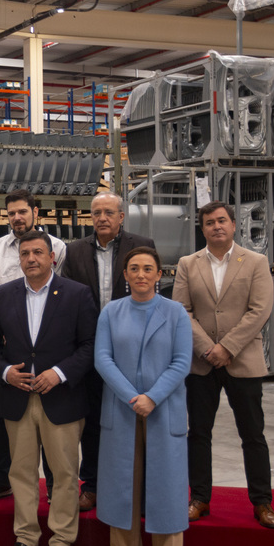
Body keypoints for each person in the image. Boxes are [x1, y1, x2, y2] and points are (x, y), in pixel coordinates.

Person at [0, 230, 96, 546]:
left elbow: (91, 346)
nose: (31, 258)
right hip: (17, 398)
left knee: (64, 474)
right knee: (21, 472)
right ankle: (26, 539)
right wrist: (5, 374)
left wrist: (59, 373)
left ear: (52, 257)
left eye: (37, 252)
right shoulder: (4, 296)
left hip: (60, 398)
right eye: (25, 253)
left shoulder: (77, 295)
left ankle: (61, 542)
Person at [173, 201, 274, 530]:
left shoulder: (256, 262)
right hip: (201, 363)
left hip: (242, 361)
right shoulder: (188, 264)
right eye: (209, 222)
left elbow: (259, 310)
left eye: (222, 221)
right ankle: (200, 499)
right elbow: (181, 311)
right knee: (198, 434)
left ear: (234, 225)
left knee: (252, 434)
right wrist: (208, 348)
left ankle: (262, 503)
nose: (216, 226)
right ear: (202, 228)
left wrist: (228, 348)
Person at [95, 246, 192, 546]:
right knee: (123, 485)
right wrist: (131, 397)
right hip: (122, 410)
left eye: (147, 269)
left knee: (167, 486)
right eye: (133, 268)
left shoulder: (176, 313)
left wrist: (152, 397)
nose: (140, 274)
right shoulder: (111, 312)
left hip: (163, 409)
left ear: (159, 275)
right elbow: (102, 359)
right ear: (125, 275)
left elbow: (181, 361)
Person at [62, 191, 156, 512]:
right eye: (97, 212)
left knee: (130, 419)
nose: (102, 217)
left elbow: (149, 295)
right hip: (90, 348)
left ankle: (135, 485)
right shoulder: (74, 252)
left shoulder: (141, 246)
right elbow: (69, 301)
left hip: (131, 349)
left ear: (121, 217)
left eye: (109, 212)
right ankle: (92, 484)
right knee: (92, 420)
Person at [0, 189, 67, 503]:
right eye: (11, 213)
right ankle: (1, 478)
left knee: (51, 417)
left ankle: (54, 484)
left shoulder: (58, 248)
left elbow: (62, 293)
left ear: (35, 212)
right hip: (7, 345)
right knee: (1, 416)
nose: (17, 218)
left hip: (47, 344)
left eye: (22, 212)